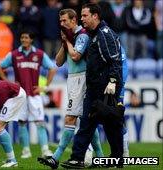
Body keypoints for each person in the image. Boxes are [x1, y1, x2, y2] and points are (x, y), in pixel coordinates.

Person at [37, 8, 104, 169]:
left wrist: (67, 41)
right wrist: (64, 43)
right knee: (85, 121)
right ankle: (101, 158)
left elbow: (76, 56)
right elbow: (59, 62)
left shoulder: (81, 35)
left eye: (65, 20)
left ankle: (55, 157)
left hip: (81, 78)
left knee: (70, 118)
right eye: (60, 21)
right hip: (73, 79)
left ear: (74, 21)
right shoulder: (71, 36)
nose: (62, 23)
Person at [61, 3, 124, 169]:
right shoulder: (93, 34)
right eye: (81, 16)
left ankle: (117, 158)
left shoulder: (105, 34)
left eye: (84, 16)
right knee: (87, 123)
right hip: (94, 87)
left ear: (95, 16)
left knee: (111, 125)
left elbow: (115, 60)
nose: (81, 19)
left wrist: (112, 82)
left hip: (105, 87)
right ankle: (78, 158)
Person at [0, 30, 56, 159]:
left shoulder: (39, 54)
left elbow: (52, 68)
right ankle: (25, 151)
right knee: (22, 123)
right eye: (22, 37)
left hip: (35, 95)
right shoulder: (14, 54)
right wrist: (8, 82)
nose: (23, 40)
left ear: (31, 40)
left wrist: (45, 86)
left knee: (39, 122)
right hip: (20, 95)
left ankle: (45, 150)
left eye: (26, 37)